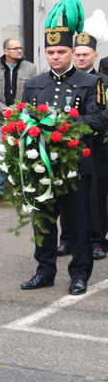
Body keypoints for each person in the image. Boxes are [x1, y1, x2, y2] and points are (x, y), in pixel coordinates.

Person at [20, 0, 105, 296]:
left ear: (72, 51)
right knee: (42, 223)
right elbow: (24, 120)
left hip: (75, 167)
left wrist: (66, 127)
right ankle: (44, 271)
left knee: (78, 224)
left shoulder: (90, 83)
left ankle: (79, 274)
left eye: (61, 51)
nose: (55, 56)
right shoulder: (34, 84)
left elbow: (100, 120)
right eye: (50, 51)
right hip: (41, 166)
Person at [0, 38, 38, 204]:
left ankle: (24, 189)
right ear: (6, 51)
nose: (20, 51)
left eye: (20, 48)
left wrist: (16, 109)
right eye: (15, 48)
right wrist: (3, 109)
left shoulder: (30, 68)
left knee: (24, 152)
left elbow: (33, 91)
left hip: (23, 119)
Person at [73, 30, 108, 260]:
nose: (81, 58)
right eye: (78, 54)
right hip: (69, 147)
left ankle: (97, 240)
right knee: (70, 192)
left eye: (86, 54)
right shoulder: (65, 80)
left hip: (97, 147)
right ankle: (68, 238)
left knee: (96, 195)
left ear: (95, 55)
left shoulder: (103, 82)